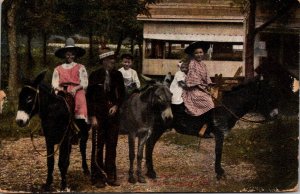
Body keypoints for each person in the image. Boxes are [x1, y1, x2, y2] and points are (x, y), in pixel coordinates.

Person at [86, 46, 126, 188]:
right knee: (98, 147)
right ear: (103, 60)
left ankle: (110, 175)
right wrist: (92, 117)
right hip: (99, 117)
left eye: (113, 59)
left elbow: (122, 95)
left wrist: (116, 106)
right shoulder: (94, 75)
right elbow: (89, 98)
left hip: (113, 118)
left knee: (112, 146)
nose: (113, 61)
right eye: (110, 59)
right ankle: (97, 177)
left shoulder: (118, 75)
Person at [52, 37, 90, 174]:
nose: (69, 56)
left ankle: (79, 129)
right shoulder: (58, 69)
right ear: (63, 54)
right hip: (62, 92)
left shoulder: (80, 67)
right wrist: (60, 90)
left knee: (79, 105)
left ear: (75, 54)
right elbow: (55, 83)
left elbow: (84, 83)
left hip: (76, 91)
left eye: (72, 53)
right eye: (67, 53)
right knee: (55, 108)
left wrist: (75, 88)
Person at [182, 41, 215, 138]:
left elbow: (207, 77)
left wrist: (209, 86)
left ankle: (208, 126)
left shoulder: (203, 64)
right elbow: (194, 81)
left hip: (202, 88)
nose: (199, 55)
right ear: (193, 54)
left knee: (214, 98)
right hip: (193, 90)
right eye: (196, 53)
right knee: (209, 103)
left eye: (200, 52)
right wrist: (205, 91)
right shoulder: (193, 64)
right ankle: (203, 129)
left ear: (203, 53)